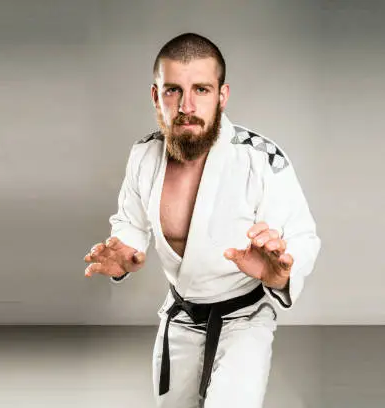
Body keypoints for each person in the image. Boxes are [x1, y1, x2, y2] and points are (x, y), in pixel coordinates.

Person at [83, 33, 321, 408]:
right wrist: (123, 253)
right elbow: (130, 222)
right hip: (180, 317)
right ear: (155, 96)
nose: (186, 106)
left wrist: (280, 275)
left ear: (222, 96)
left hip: (244, 319)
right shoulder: (144, 155)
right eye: (173, 90)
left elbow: (303, 236)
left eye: (202, 90)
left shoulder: (260, 158)